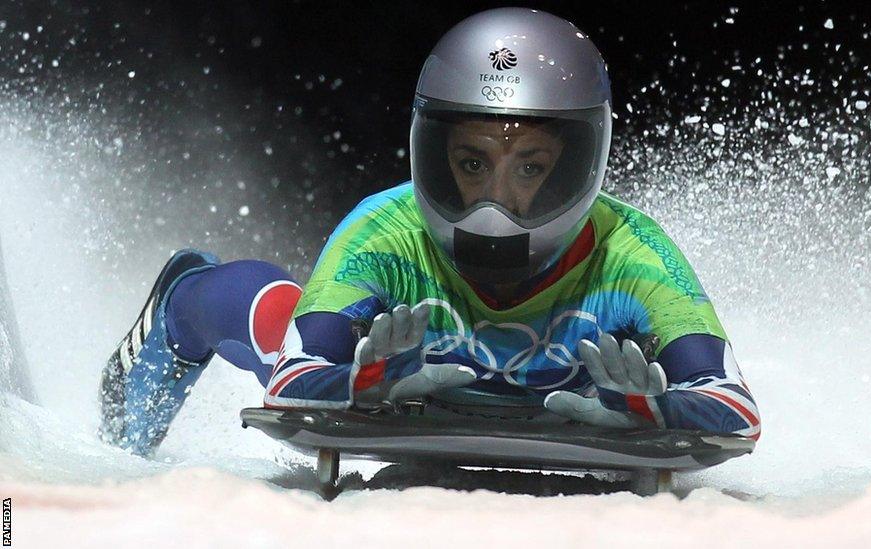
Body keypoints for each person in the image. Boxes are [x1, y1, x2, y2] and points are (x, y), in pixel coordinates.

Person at [99, 7, 760, 457]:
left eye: (531, 166)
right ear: (432, 149)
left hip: (474, 382)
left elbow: (734, 404)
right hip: (388, 369)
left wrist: (660, 406)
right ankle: (182, 304)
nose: (496, 204)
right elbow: (291, 381)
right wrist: (358, 382)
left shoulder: (634, 252)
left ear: (583, 160)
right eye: (472, 163)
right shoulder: (385, 230)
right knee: (280, 325)